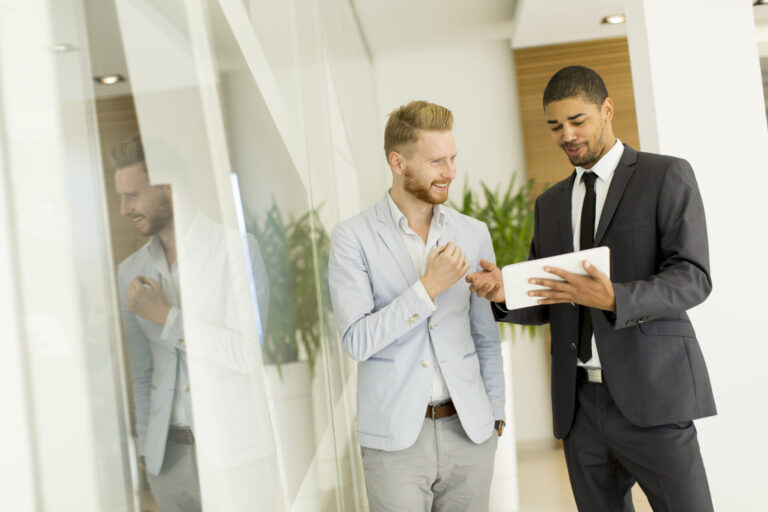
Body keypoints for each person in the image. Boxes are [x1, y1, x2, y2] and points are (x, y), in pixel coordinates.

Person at [467, 66, 716, 511]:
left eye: (577, 121)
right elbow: (550, 297)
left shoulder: (665, 175)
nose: (566, 135)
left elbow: (693, 277)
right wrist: (504, 293)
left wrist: (615, 298)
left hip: (654, 398)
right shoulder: (550, 204)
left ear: (606, 110)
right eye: (555, 126)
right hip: (579, 407)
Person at [328, 100, 505, 511]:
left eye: (453, 159)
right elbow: (356, 340)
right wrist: (427, 289)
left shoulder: (472, 232)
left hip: (470, 433)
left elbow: (485, 336)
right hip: (395, 443)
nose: (450, 172)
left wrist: (494, 417)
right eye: (436, 161)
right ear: (398, 162)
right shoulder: (352, 238)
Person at [113, 135, 271, 511]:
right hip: (167, 464)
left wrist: (167, 318)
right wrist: (147, 452)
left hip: (234, 457)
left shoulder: (236, 250)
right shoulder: (129, 272)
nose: (124, 208)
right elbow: (143, 372)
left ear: (169, 188)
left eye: (132, 195)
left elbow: (246, 353)